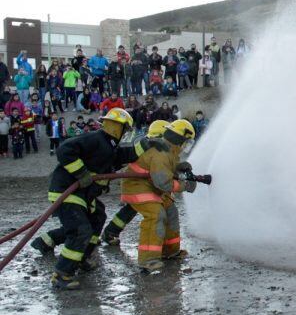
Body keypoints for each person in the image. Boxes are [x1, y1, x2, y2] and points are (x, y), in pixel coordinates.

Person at [29, 108, 145, 290]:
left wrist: (146, 145)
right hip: (67, 191)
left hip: (84, 195)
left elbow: (120, 157)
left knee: (98, 217)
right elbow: (65, 149)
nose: (125, 134)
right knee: (80, 230)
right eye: (125, 129)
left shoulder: (108, 145)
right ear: (117, 127)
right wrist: (81, 173)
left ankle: (79, 257)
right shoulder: (95, 139)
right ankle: (62, 274)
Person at [119, 119, 197, 270]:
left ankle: (170, 252)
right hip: (138, 187)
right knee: (156, 215)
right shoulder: (161, 151)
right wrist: (184, 185)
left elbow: (167, 169)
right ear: (180, 138)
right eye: (186, 142)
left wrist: (180, 167)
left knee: (171, 212)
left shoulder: (170, 150)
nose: (185, 146)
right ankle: (148, 260)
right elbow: (163, 182)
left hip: (152, 187)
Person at [102, 120, 169, 245]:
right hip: (137, 184)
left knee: (131, 209)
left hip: (140, 183)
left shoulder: (150, 146)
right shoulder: (152, 149)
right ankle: (110, 232)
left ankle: (110, 231)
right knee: (146, 211)